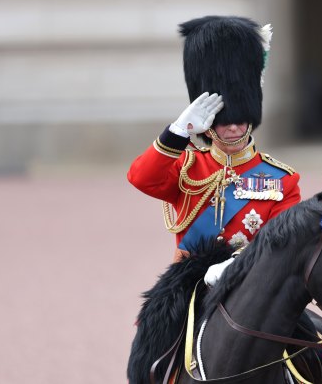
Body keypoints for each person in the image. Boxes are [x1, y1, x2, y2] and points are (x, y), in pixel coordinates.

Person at [128, 16, 301, 282]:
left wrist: (236, 263)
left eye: (239, 119)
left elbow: (285, 247)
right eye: (224, 121)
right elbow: (141, 177)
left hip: (252, 284)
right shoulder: (188, 166)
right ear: (208, 123)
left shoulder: (283, 180)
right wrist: (179, 131)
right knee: (152, 323)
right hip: (190, 285)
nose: (233, 128)